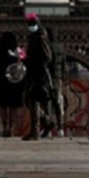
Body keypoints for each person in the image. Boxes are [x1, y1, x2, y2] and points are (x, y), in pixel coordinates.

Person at [21, 13, 54, 141]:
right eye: (29, 24)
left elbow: (47, 57)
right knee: (29, 101)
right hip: (33, 71)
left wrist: (31, 60)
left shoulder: (40, 37)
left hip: (38, 73)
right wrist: (24, 57)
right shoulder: (33, 37)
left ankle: (35, 132)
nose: (31, 26)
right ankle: (46, 121)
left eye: (32, 24)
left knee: (33, 99)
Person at [0, 31, 25, 137]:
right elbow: (25, 63)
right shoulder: (19, 51)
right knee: (13, 106)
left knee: (3, 106)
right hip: (15, 83)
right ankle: (11, 127)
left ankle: (4, 127)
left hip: (2, 82)